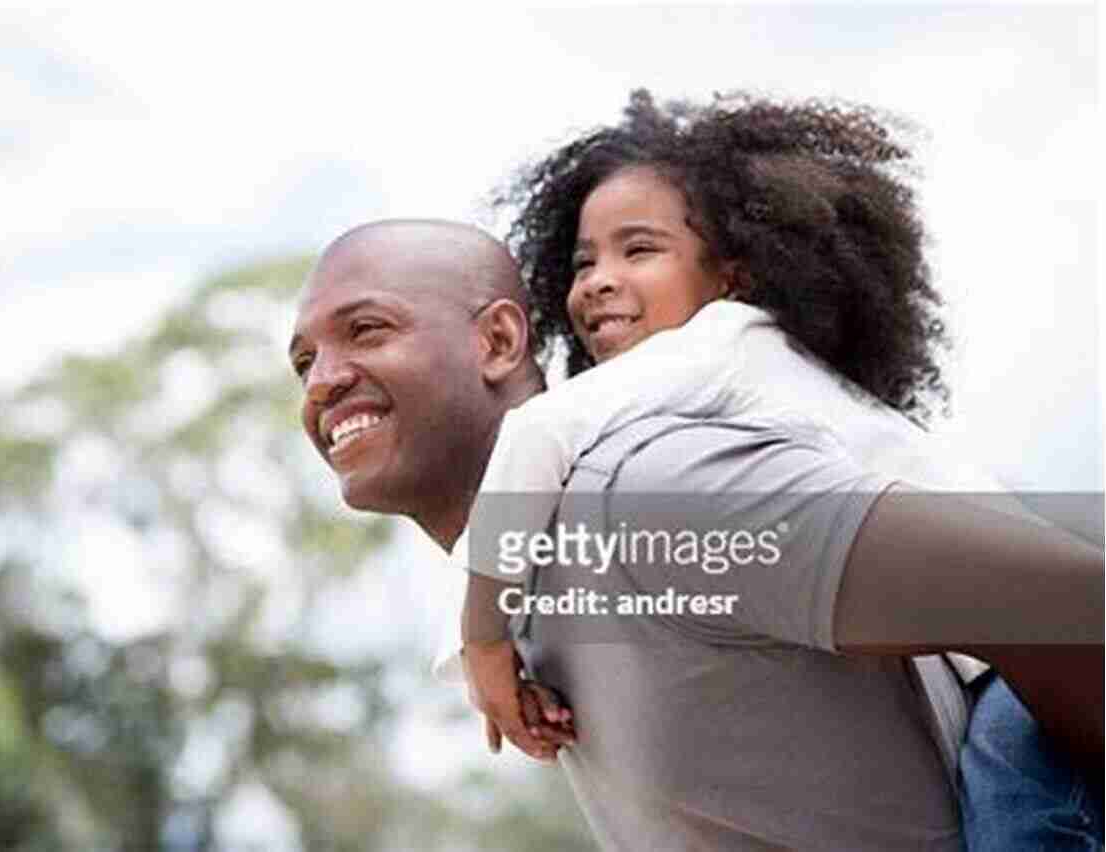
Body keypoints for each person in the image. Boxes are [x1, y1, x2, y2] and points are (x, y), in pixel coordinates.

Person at [289, 98, 1102, 848]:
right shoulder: (562, 545)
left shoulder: (655, 485)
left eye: (366, 330)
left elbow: (1069, 601)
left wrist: (484, 635)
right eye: (301, 362)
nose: (321, 380)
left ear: (500, 342)